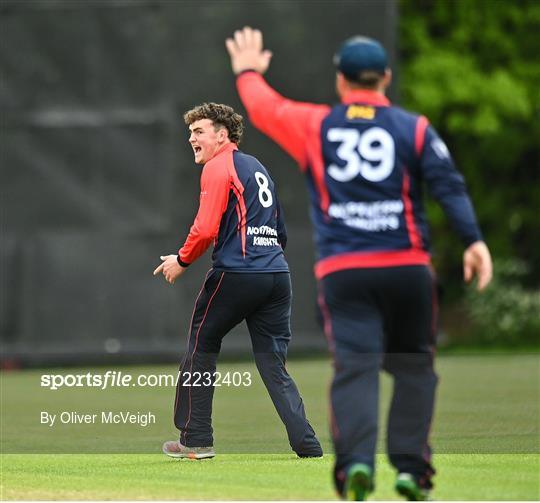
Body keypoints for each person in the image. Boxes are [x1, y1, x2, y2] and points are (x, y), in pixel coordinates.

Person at [226, 27, 493, 500]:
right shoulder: (413, 127)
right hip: (407, 268)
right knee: (414, 367)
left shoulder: (318, 125)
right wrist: (472, 240)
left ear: (341, 82)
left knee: (355, 367)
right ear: (386, 78)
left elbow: (264, 108)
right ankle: (411, 468)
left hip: (345, 272)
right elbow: (449, 185)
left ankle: (355, 467)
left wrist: (248, 70)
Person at [153, 102, 322, 460]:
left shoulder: (219, 166)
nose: (192, 138)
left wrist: (181, 260)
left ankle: (196, 438)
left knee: (201, 346)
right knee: (273, 363)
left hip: (238, 273)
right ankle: (307, 443)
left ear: (222, 134)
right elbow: (280, 230)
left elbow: (206, 228)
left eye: (199, 131)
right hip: (277, 275)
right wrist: (267, 259)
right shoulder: (258, 168)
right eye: (190, 132)